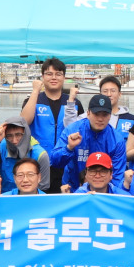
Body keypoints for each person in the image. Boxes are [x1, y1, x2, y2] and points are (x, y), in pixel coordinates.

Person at [22, 58, 82, 191]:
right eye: (49, 74)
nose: (54, 78)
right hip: (38, 163)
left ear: (64, 77)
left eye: (58, 74)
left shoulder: (73, 102)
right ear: (42, 77)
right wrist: (35, 91)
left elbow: (82, 130)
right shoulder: (33, 100)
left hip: (66, 163)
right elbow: (24, 122)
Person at [61, 94, 129, 181]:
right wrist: (69, 148)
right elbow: (55, 162)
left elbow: (117, 177)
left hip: (103, 187)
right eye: (96, 114)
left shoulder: (117, 140)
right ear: (88, 113)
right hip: (73, 186)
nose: (100, 119)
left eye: (104, 115)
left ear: (110, 115)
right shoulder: (72, 130)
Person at [0, 118, 51, 196]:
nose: (14, 140)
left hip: (33, 197)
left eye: (18, 135)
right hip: (7, 197)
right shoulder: (3, 145)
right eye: (9, 136)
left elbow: (43, 186)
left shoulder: (41, 155)